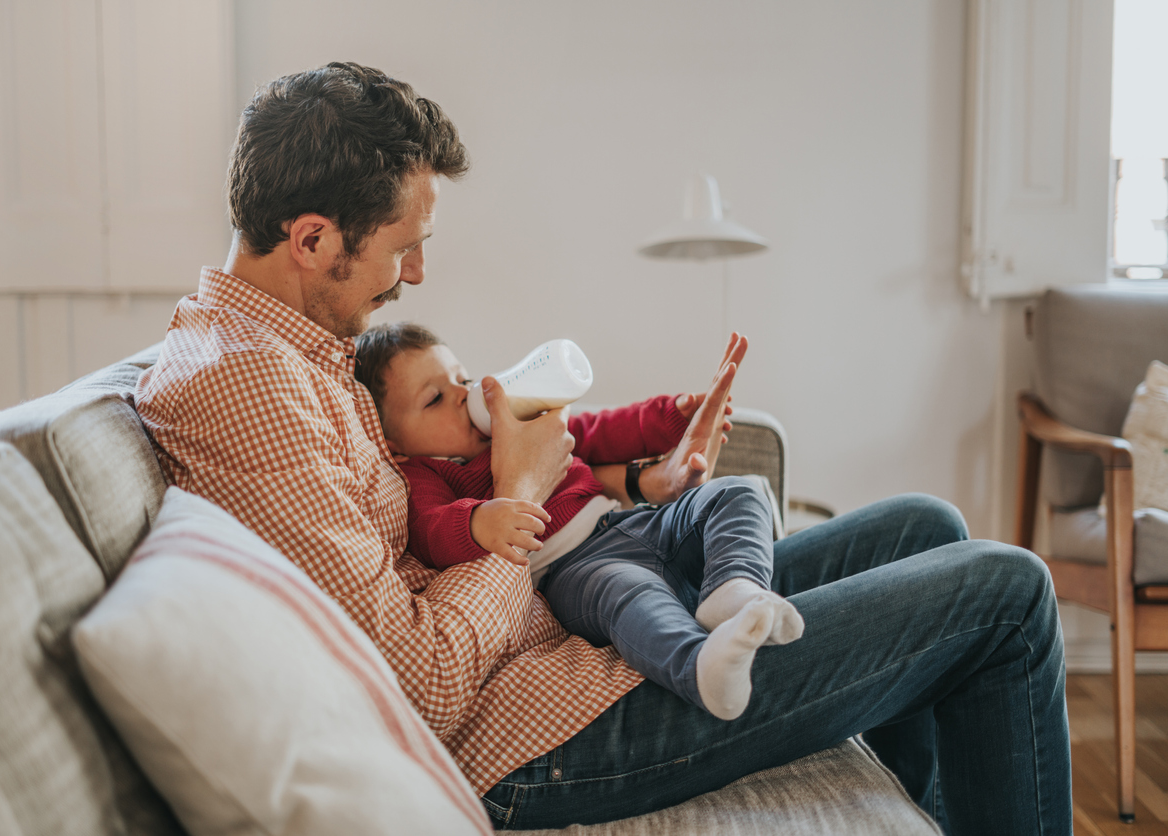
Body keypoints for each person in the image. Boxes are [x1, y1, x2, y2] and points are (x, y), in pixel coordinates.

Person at [134, 61, 1071, 833]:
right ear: (310, 237)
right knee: (1006, 590)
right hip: (532, 731)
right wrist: (523, 497)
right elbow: (418, 686)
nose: (416, 274)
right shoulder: (243, 384)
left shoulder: (299, 349)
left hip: (566, 633)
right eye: (401, 248)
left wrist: (620, 477)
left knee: (923, 526)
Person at [353, 321, 804, 721]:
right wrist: (478, 521)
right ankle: (701, 666)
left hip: (630, 523)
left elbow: (598, 430)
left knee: (737, 491)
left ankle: (734, 588)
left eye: (463, 380)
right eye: (435, 399)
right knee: (630, 594)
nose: (463, 396)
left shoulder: (516, 423)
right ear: (391, 441)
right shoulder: (423, 472)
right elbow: (431, 528)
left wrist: (672, 415)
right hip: (574, 570)